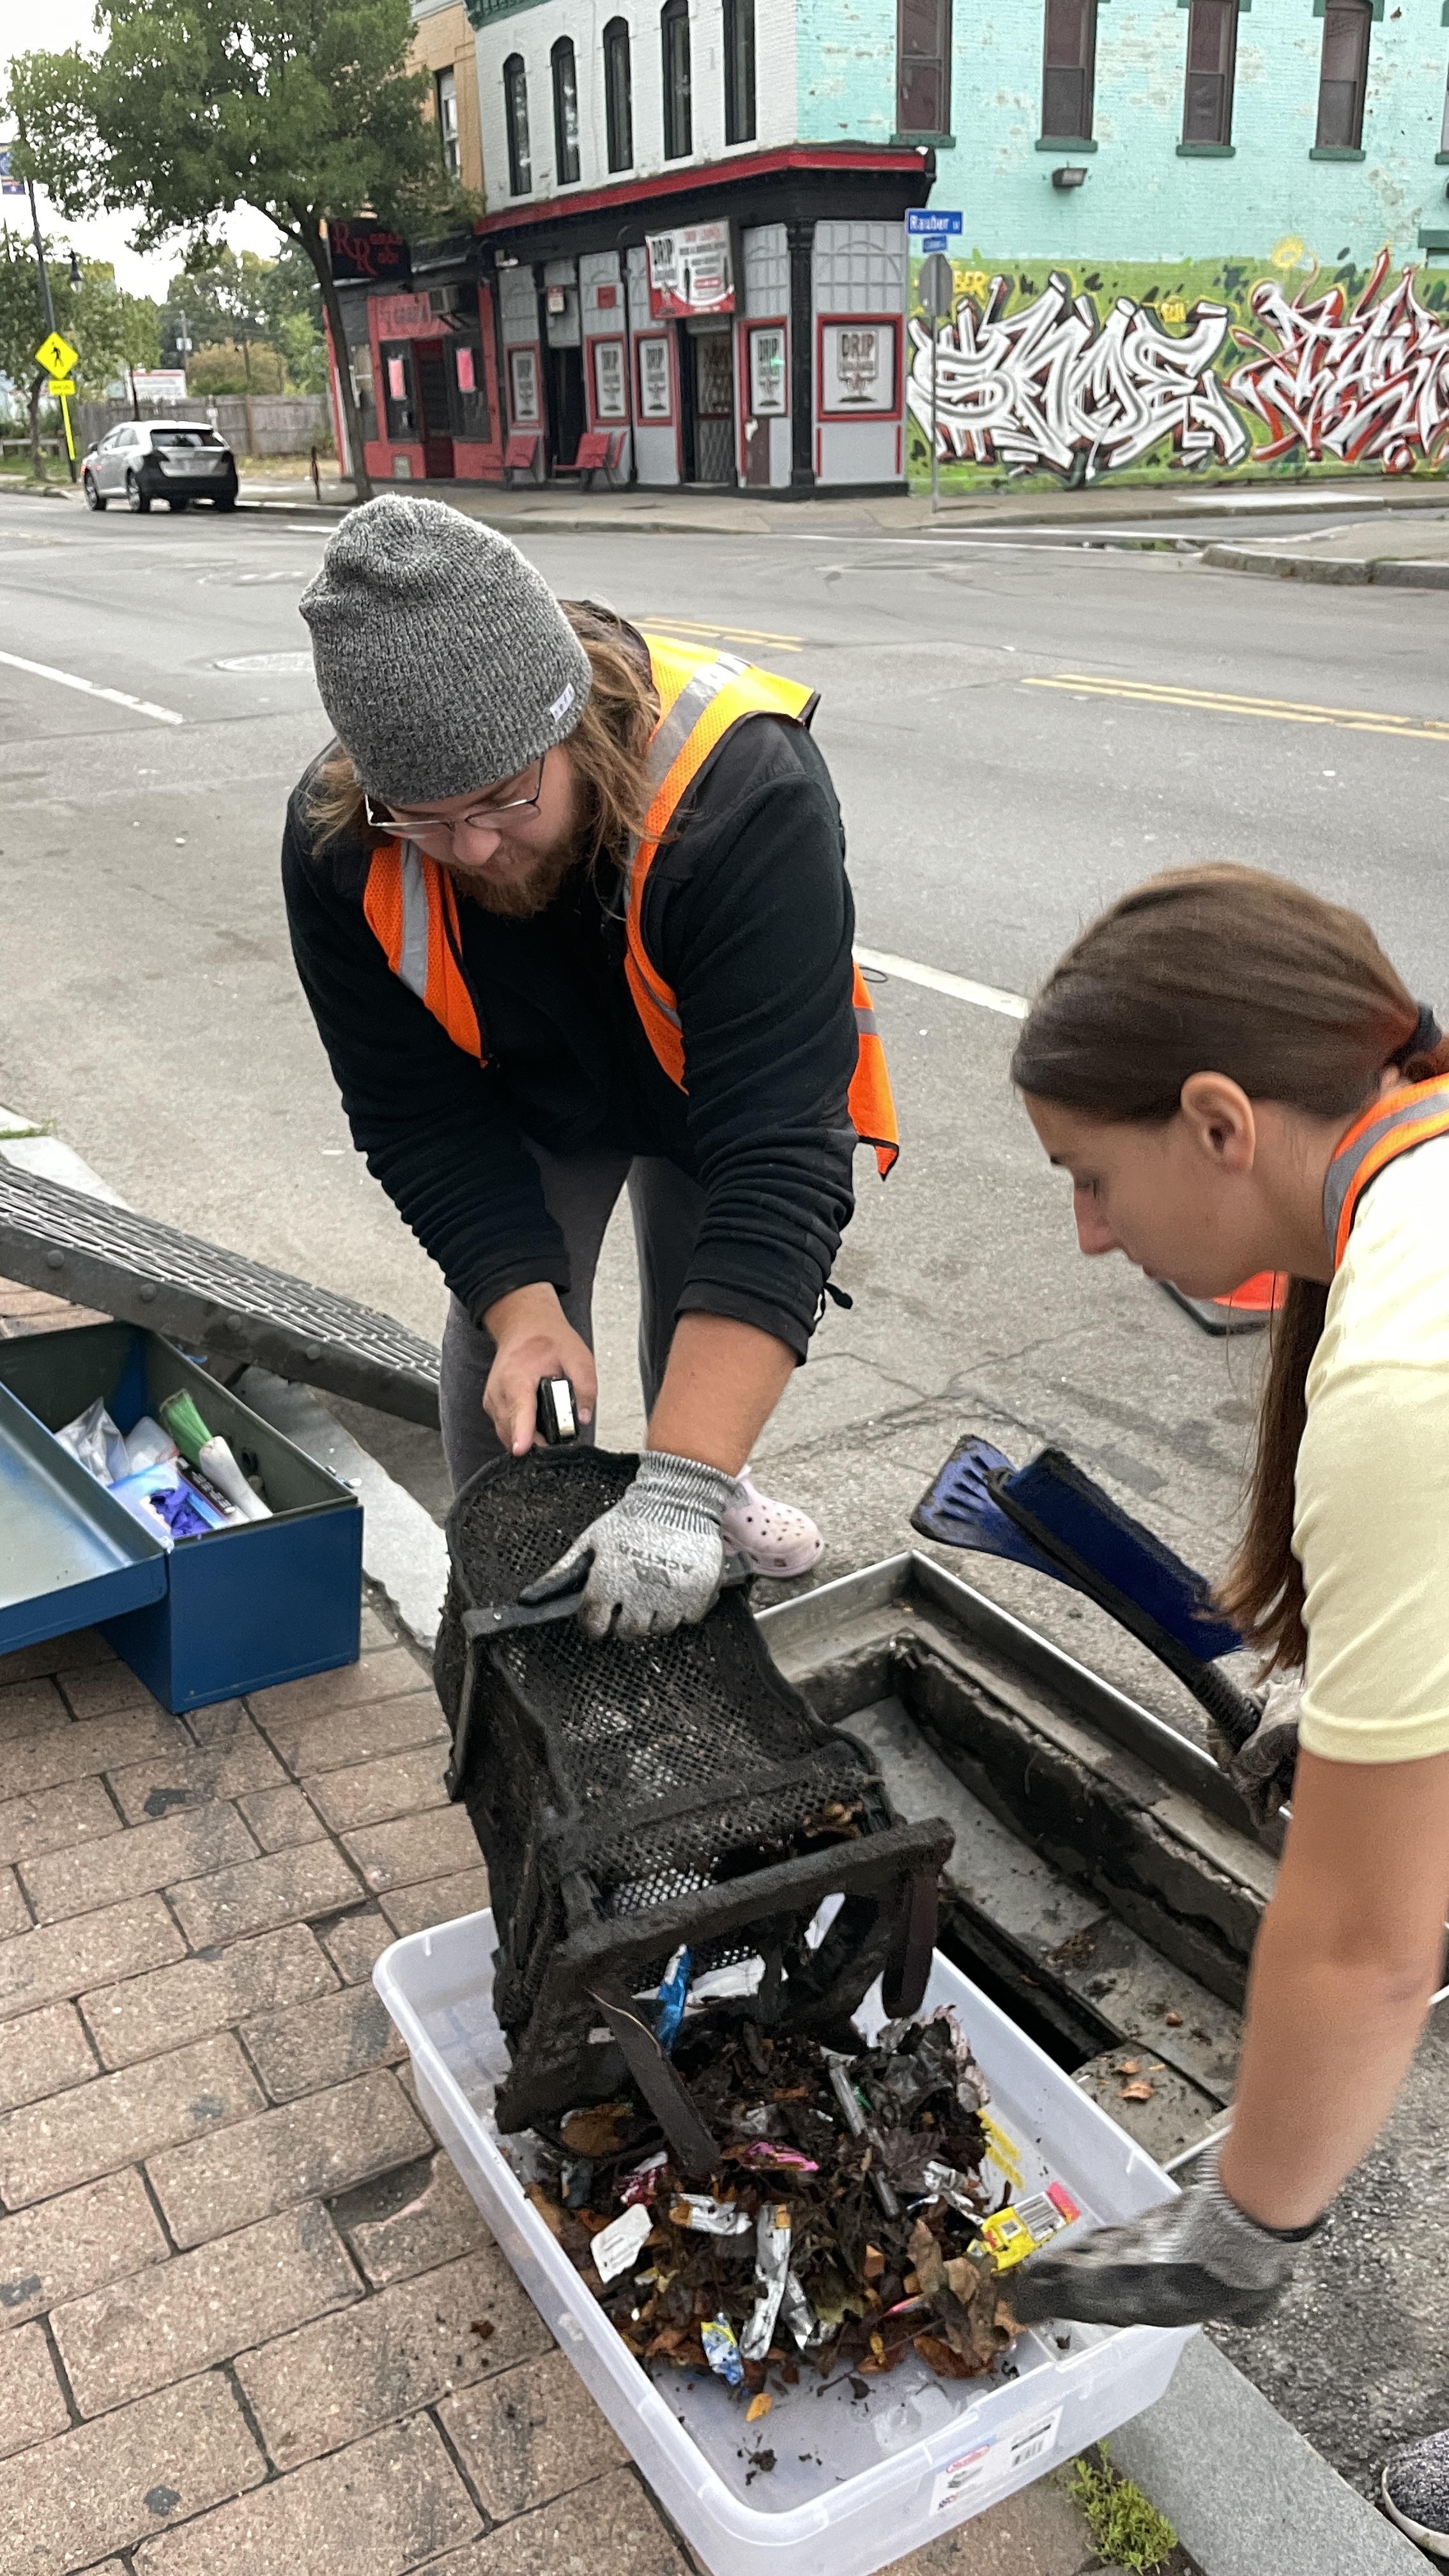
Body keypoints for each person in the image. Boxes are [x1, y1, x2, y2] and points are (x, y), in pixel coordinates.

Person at [1001, 864, 1449, 2551]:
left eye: (1088, 1177)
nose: (1089, 1232)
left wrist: (1242, 2224)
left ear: (1214, 1122)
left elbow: (1363, 1948)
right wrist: (1366, 1722)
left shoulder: (1408, 1355)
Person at [286, 496, 896, 1639]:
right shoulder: (340, 842)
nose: (468, 849)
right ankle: (500, 1598)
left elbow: (779, 1156)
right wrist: (526, 1311)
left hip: (714, 1078)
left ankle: (695, 1492)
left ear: (576, 725)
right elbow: (413, 1113)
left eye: (504, 801)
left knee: (707, 1282)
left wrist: (678, 1479)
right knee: (502, 1340)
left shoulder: (746, 791)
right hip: (537, 1079)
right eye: (424, 818)